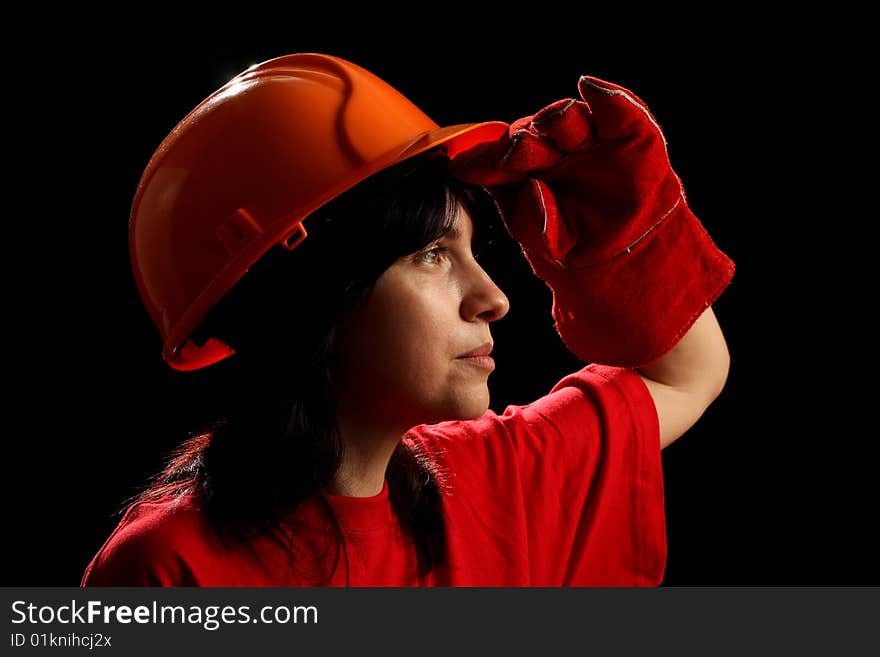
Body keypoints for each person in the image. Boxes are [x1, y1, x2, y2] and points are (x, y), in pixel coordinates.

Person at [81, 53, 734, 586]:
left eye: (472, 251)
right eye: (432, 254)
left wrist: (626, 241)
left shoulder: (493, 477)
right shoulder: (167, 568)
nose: (494, 298)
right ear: (317, 297)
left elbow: (689, 374)